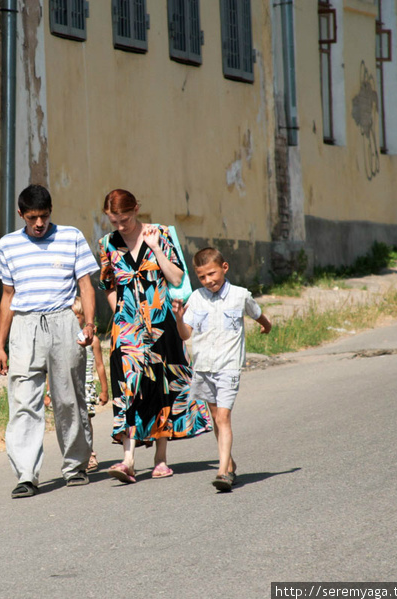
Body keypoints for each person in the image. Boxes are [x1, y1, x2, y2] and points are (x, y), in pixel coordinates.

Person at [97, 189, 210, 484]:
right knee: (128, 387)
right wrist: (121, 314)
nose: (120, 226)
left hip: (162, 323)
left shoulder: (158, 233)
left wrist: (156, 248)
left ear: (136, 209)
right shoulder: (107, 244)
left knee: (162, 385)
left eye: (124, 219)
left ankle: (160, 459)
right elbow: (108, 284)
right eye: (114, 221)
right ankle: (129, 459)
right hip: (127, 329)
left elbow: (176, 278)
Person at [0, 184, 99, 498]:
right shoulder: (8, 244)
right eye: (31, 218)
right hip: (24, 326)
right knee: (24, 400)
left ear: (50, 211)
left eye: (43, 216)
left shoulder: (71, 237)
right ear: (21, 215)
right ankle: (26, 475)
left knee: (68, 398)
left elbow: (85, 284)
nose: (38, 224)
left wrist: (91, 323)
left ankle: (75, 465)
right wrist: (0, 345)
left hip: (63, 322)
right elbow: (7, 297)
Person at [171, 247, 272, 492]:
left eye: (212, 274)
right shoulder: (196, 298)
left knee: (223, 418)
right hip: (204, 368)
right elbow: (185, 335)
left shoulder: (240, 295)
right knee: (217, 419)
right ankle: (230, 463)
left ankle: (222, 472)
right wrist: (178, 317)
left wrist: (266, 325)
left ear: (224, 268)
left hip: (228, 367)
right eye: (202, 277)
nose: (208, 281)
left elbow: (257, 313)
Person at [42, 297, 110, 472]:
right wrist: (48, 391)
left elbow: (100, 365)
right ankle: (75, 454)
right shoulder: (60, 340)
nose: (74, 321)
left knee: (85, 419)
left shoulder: (92, 340)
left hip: (85, 386)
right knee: (70, 418)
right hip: (65, 385)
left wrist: (104, 389)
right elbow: (53, 367)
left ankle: (90, 453)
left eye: (78, 317)